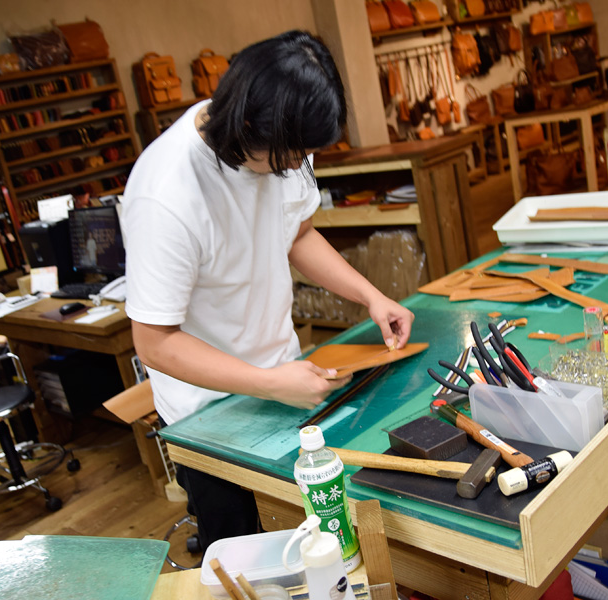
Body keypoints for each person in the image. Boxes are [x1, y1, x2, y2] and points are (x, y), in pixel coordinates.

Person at [120, 30, 415, 551]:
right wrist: (266, 381)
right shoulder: (166, 194)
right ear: (250, 123)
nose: (295, 167)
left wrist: (371, 295)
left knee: (309, 539)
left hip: (283, 381)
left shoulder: (280, 141)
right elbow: (154, 342)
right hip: (208, 415)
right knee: (239, 552)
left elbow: (296, 233)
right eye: (288, 156)